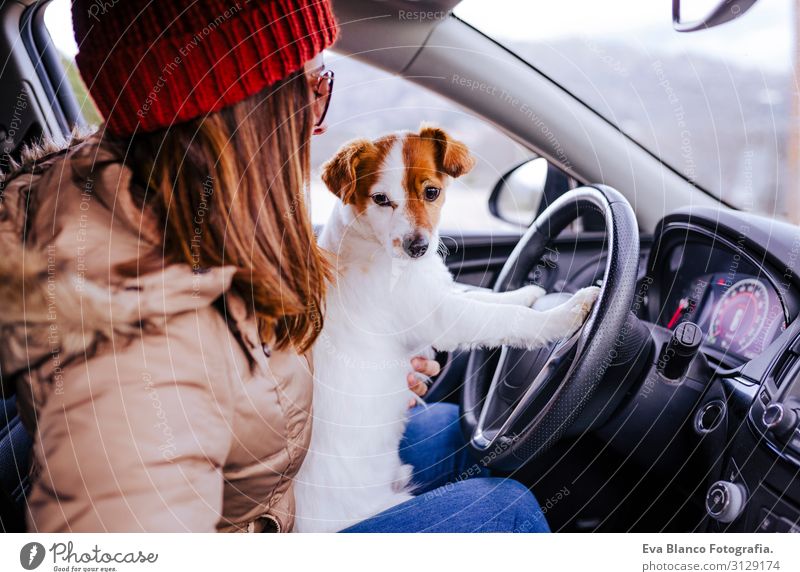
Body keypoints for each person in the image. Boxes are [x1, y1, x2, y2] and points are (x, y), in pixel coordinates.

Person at [0, 0, 548, 533]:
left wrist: (348, 376)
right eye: (315, 88)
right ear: (248, 107)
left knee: (452, 428)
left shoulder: (205, 212)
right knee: (508, 509)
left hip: (274, 480)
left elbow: (240, 365)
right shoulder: (134, 317)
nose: (315, 121)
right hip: (270, 526)